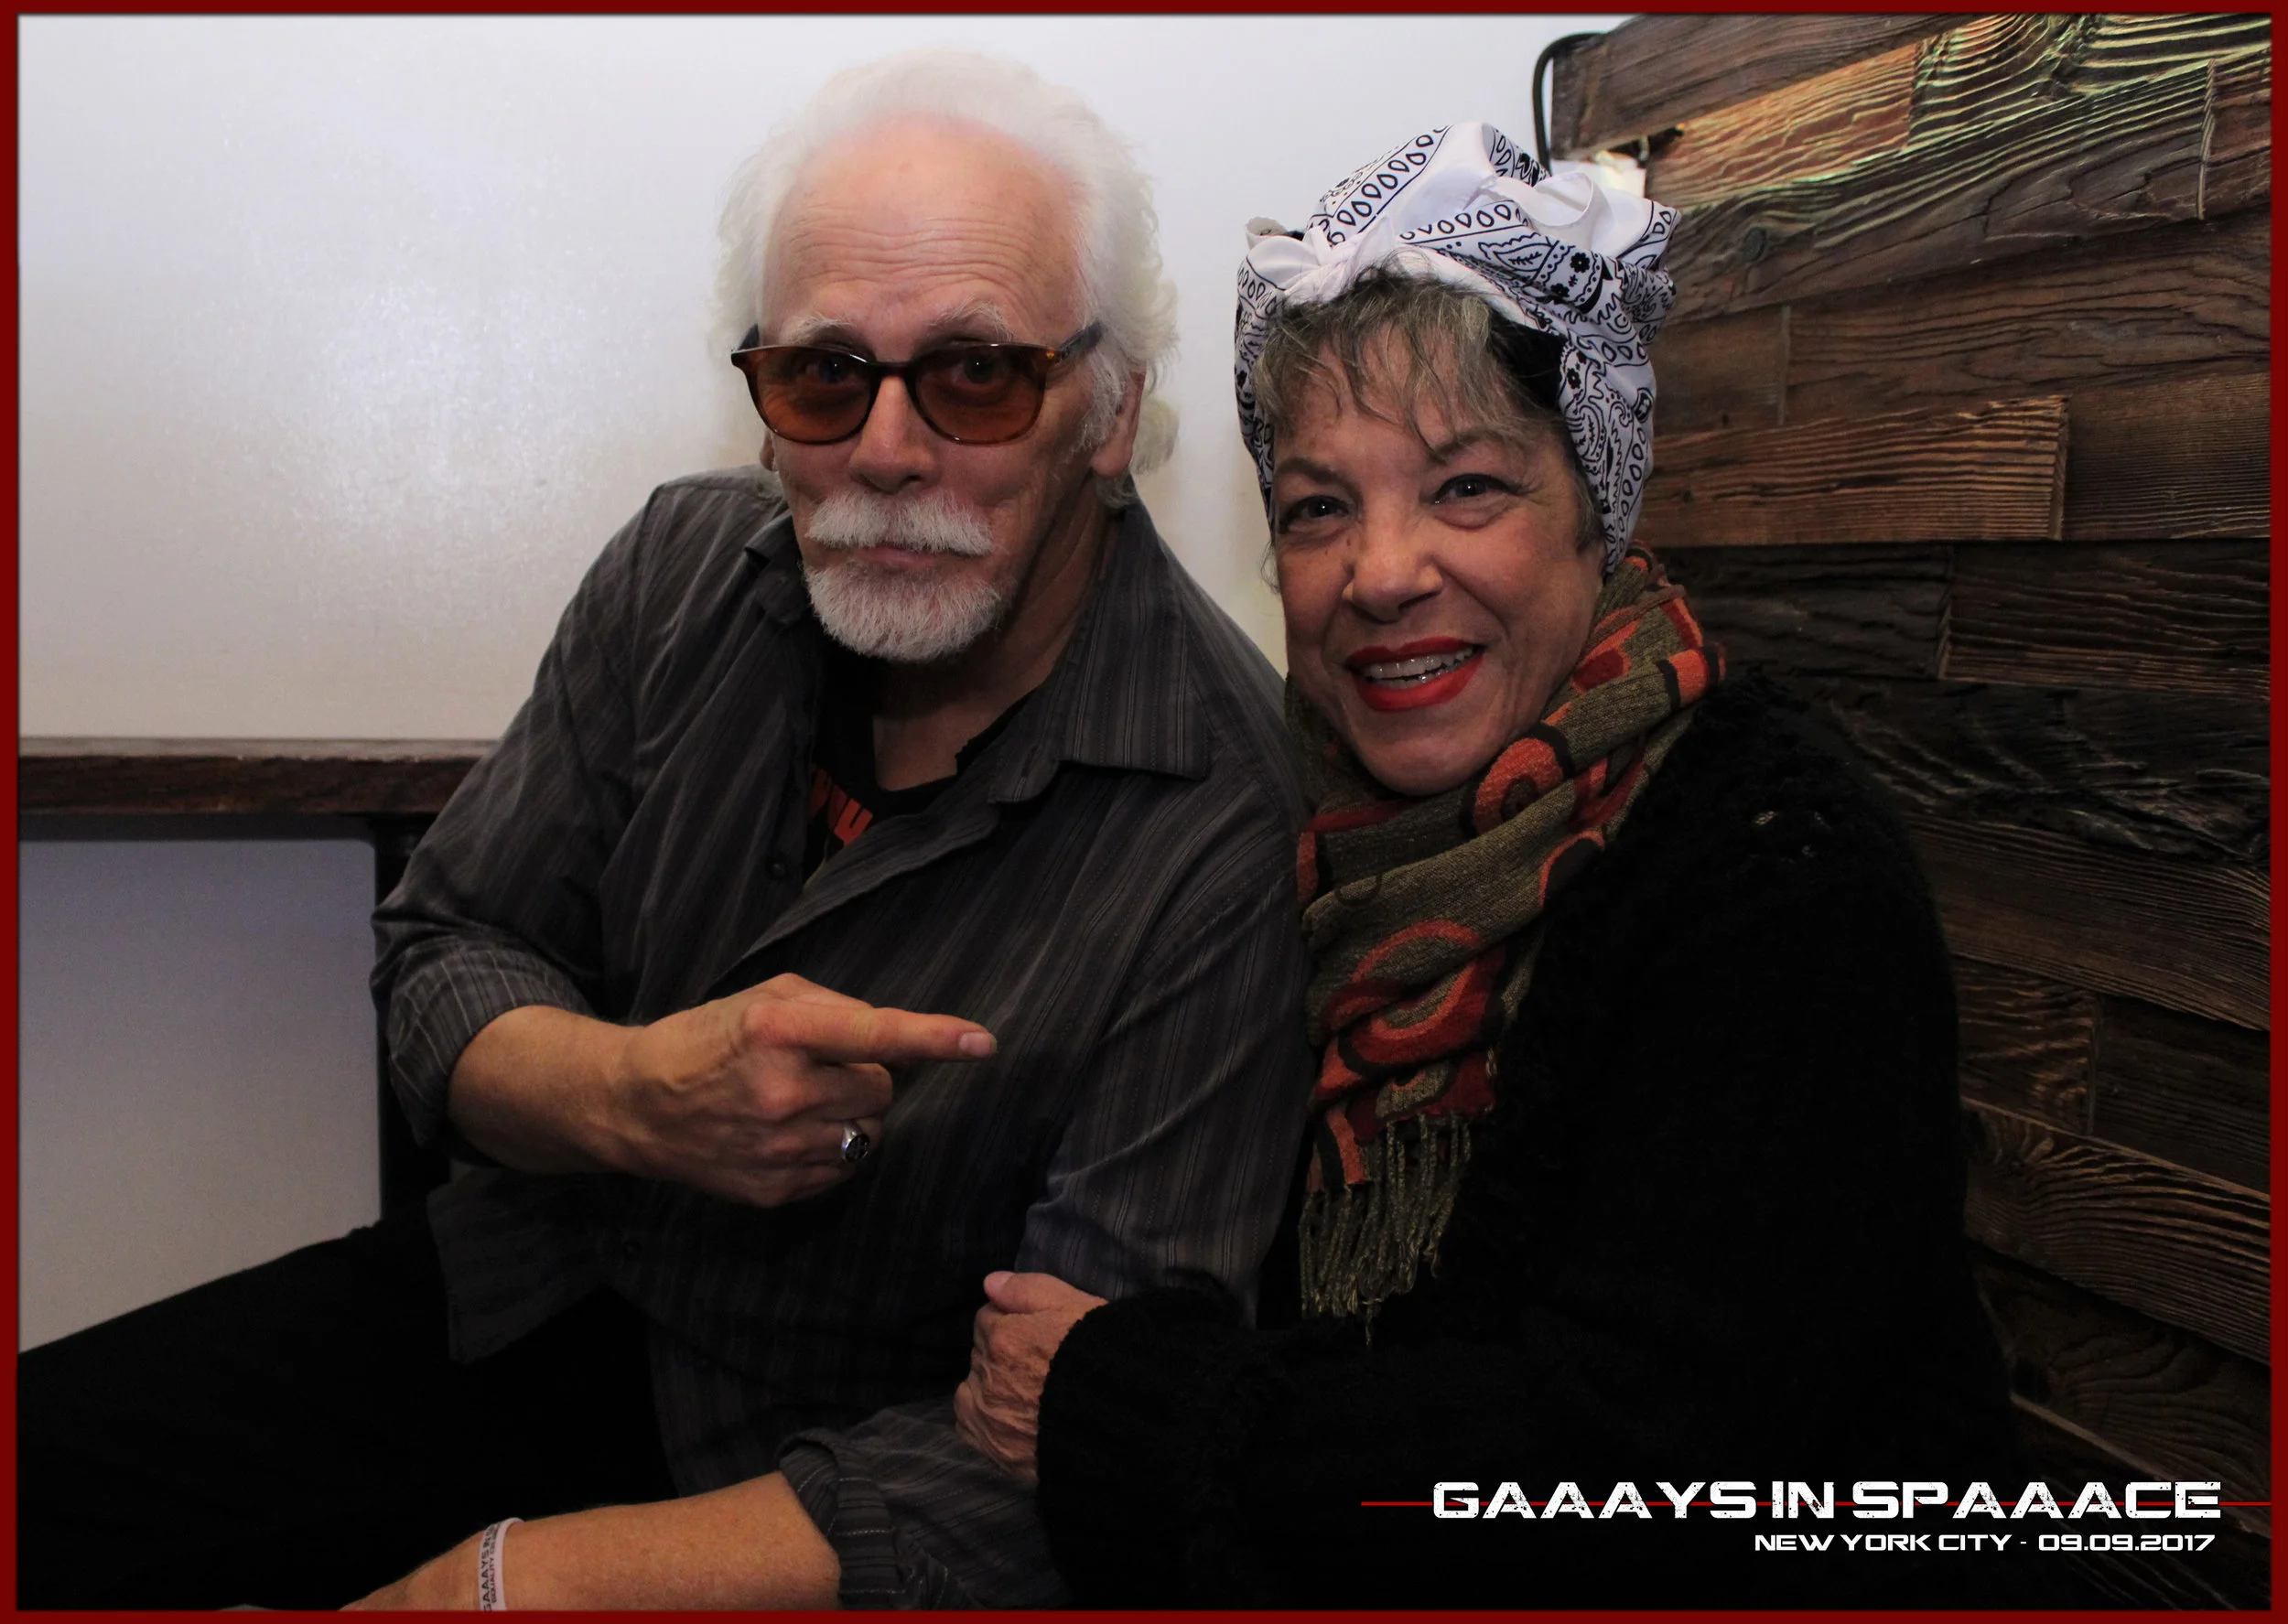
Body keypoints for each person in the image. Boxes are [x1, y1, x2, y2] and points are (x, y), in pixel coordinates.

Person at [17, 51, 1313, 1610]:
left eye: (976, 374)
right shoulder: (683, 573)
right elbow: (443, 951)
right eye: (825, 373)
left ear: (1108, 411)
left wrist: (497, 1584)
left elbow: (1075, 1450)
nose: (886, 449)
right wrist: (636, 1098)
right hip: (529, 1283)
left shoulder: (1225, 819)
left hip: (824, 1488)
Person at [954, 122, 2056, 1608]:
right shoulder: (1303, 847)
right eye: (1319, 507)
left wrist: (1119, 1403)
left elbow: (1627, 1469)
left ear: (1597, 503)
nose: (1382, 571)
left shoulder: (1774, 875)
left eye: (1466, 486)